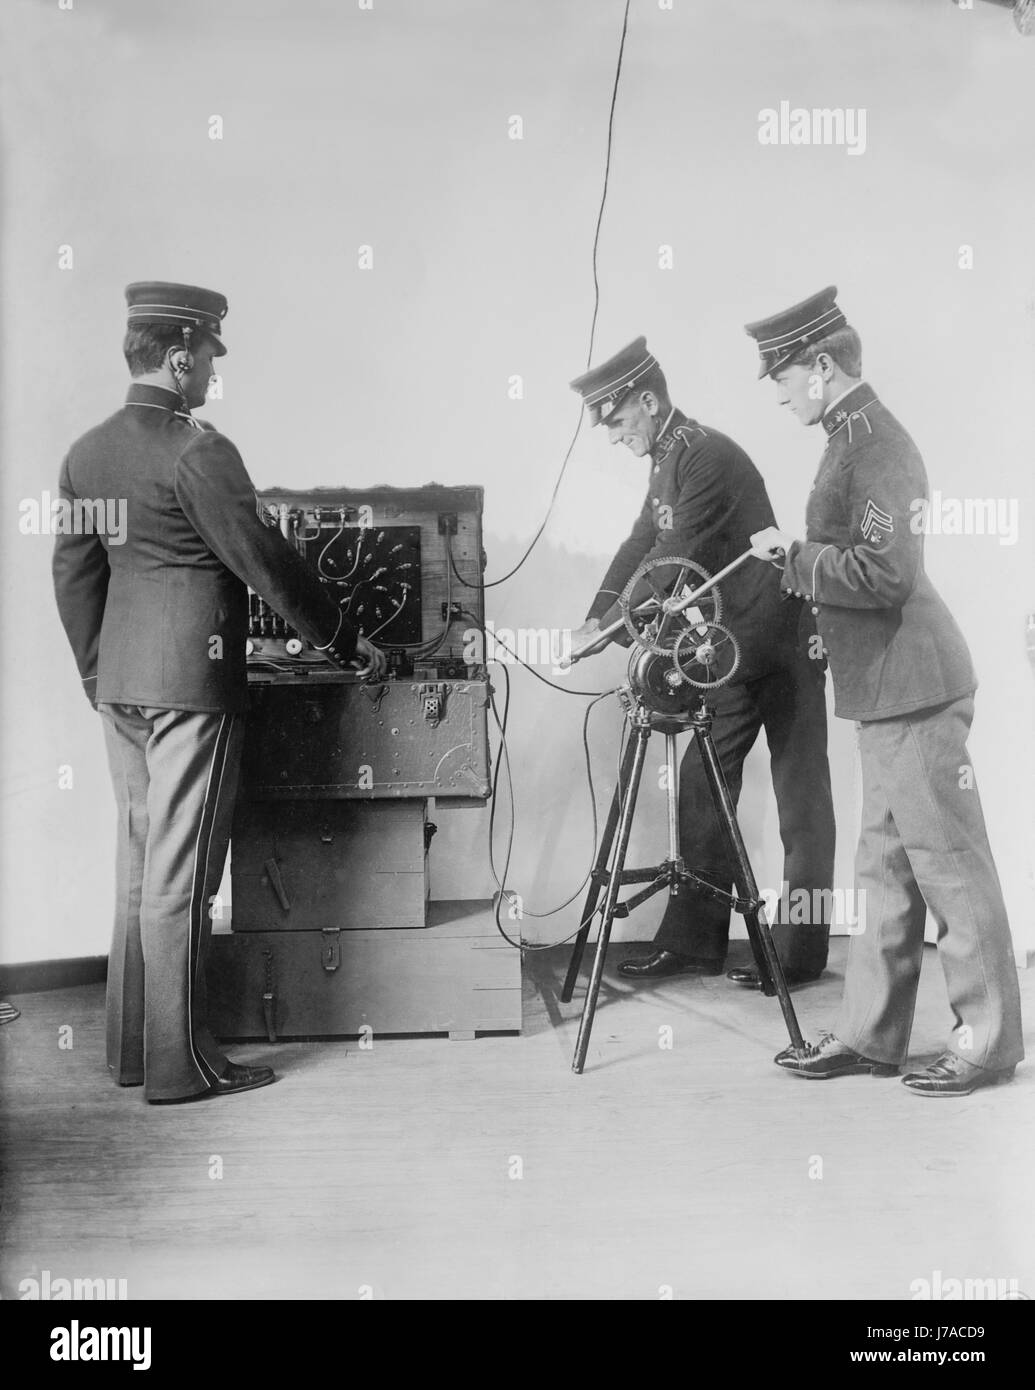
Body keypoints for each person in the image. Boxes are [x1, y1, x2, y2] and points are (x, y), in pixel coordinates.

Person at [52, 281, 385, 1104]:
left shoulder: (86, 452)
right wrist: (345, 642)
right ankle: (183, 1067)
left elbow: (73, 571)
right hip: (191, 690)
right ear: (177, 355)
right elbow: (264, 561)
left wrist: (98, 672)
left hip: (122, 688)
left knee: (139, 869)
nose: (211, 371)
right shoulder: (199, 450)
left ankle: (134, 1052)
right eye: (207, 356)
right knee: (183, 876)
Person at [745, 286, 1023, 1096]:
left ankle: (988, 1043)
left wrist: (791, 561)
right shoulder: (847, 439)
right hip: (884, 691)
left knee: (948, 866)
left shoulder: (876, 447)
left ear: (822, 366)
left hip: (917, 687)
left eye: (784, 376)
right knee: (886, 869)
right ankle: (870, 1036)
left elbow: (885, 572)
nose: (779, 391)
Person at [568, 337, 835, 984]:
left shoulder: (704, 455)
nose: (611, 435)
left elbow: (673, 549)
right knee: (701, 783)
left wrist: (609, 630)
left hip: (782, 637)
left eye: (615, 420)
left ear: (647, 401)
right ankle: (694, 941)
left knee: (799, 796)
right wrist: (592, 614)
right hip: (731, 646)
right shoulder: (667, 458)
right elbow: (644, 540)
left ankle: (800, 955)